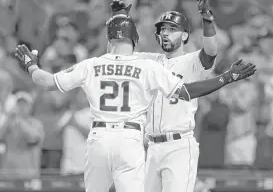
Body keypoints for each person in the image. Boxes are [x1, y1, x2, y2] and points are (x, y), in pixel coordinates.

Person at [15, 14, 255, 192]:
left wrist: (30, 65)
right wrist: (226, 78)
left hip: (99, 137)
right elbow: (185, 92)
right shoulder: (147, 65)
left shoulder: (93, 64)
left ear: (109, 40)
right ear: (135, 40)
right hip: (131, 141)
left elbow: (45, 81)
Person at [108, 0, 233, 192]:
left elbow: (211, 51)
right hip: (152, 147)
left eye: (171, 29)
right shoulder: (148, 60)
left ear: (184, 36)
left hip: (179, 145)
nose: (165, 33)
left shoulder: (191, 61)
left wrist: (206, 18)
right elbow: (114, 56)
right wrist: (118, 21)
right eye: (162, 29)